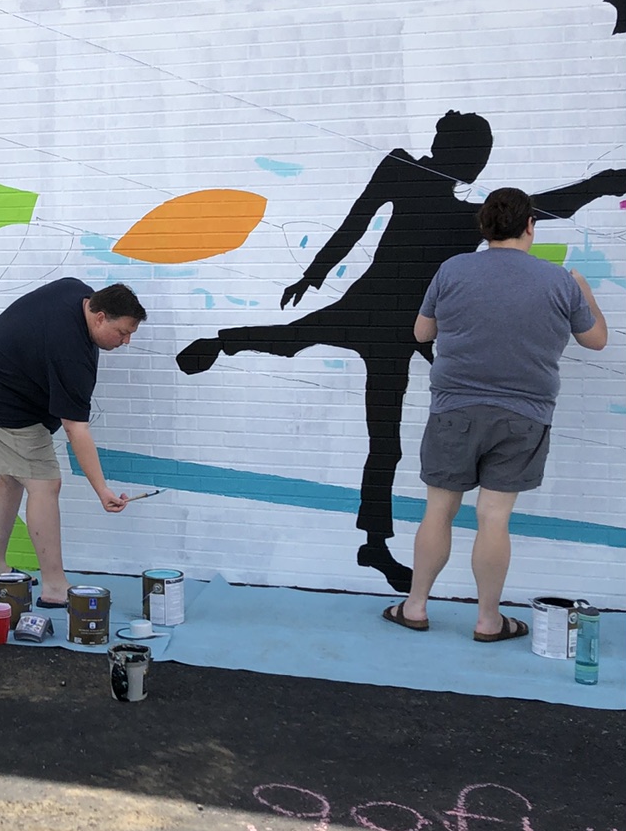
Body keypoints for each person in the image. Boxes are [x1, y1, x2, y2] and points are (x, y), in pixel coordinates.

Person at [176, 111, 626, 592]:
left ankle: (374, 544)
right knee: (296, 345)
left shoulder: (462, 212)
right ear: (459, 152)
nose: (479, 164)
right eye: (478, 155)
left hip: (402, 330)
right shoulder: (413, 177)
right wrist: (314, 273)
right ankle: (220, 342)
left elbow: (535, 209)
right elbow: (358, 221)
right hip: (384, 317)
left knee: (376, 433)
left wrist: (599, 185)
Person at [383, 187, 607, 641]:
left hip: (454, 410)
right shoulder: (559, 281)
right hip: (524, 416)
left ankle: (415, 607)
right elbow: (596, 340)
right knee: (494, 517)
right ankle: (489, 620)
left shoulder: (452, 269)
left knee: (438, 511)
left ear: (485, 228)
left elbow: (422, 333)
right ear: (530, 226)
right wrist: (584, 291)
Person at [0, 279, 145, 605]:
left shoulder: (76, 291)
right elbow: (76, 429)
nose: (126, 341)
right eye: (122, 332)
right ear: (99, 317)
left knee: (11, 476)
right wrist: (102, 491)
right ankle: (54, 587)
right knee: (45, 483)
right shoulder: (72, 354)